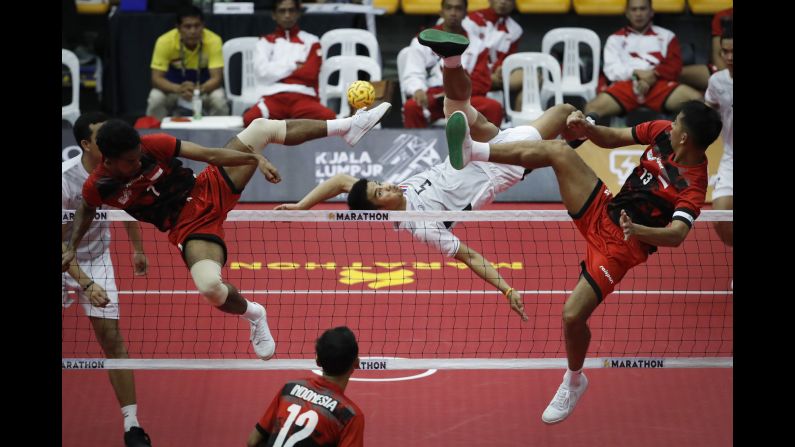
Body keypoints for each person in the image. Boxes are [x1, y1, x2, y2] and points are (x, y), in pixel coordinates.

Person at [276, 30, 585, 321]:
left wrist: (302, 205)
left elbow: (341, 181)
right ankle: (580, 136)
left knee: (555, 111)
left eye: (379, 184)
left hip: (483, 146)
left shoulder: (397, 191)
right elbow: (470, 256)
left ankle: (451, 59)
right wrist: (506, 288)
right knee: (548, 137)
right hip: (498, 167)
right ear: (381, 211)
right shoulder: (421, 227)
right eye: (380, 193)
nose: (386, 185)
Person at [446, 98, 722, 423]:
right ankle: (473, 152)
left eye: (676, 122)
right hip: (604, 209)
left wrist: (638, 230)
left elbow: (677, 234)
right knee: (559, 151)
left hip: (622, 246)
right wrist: (588, 129)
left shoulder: (693, 183)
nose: (671, 124)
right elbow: (613, 138)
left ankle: (574, 380)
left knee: (572, 316)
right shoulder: (662, 134)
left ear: (686, 137)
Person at [62, 104, 392, 360]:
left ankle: (348, 126)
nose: (138, 163)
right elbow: (87, 210)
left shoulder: (152, 145)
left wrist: (255, 159)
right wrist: (72, 246)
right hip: (188, 227)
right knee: (210, 288)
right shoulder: (98, 185)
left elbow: (208, 155)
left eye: (139, 156)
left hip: (209, 187)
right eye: (130, 161)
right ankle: (254, 314)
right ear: (108, 160)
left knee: (261, 128)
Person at [62, 112, 153, 447]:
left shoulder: (117, 168)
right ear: (86, 144)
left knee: (112, 339)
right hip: (66, 255)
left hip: (97, 257)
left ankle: (132, 425)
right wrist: (86, 284)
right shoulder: (65, 181)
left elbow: (126, 207)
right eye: (102, 136)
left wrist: (137, 249)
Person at [585, 0, 702, 122]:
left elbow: (675, 67)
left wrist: (653, 75)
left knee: (697, 100)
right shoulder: (615, 39)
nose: (638, 13)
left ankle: (684, 137)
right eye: (634, 9)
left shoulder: (667, 36)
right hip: (626, 86)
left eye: (643, 9)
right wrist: (636, 73)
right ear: (627, 13)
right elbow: (611, 70)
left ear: (651, 12)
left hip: (658, 85)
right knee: (592, 108)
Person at [246, 326, 364, 447]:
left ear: (317, 361)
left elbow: (252, 442)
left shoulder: (289, 389)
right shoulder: (348, 416)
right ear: (356, 363)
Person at [401, 0, 502, 128]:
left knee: (493, 107)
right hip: (433, 96)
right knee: (412, 107)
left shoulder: (477, 44)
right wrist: (418, 89)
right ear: (441, 12)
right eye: (449, 8)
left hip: (465, 99)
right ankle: (416, 146)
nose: (453, 13)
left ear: (466, 13)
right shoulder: (422, 40)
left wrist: (456, 94)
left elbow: (481, 81)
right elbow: (413, 72)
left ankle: (486, 148)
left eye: (458, 9)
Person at [243, 0, 337, 127]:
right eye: (282, 11)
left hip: (303, 97)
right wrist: (294, 66)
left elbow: (310, 74)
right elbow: (262, 73)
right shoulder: (264, 42)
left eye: (291, 10)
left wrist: (276, 74)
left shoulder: (312, 40)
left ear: (298, 13)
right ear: (274, 15)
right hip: (273, 97)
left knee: (330, 119)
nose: (287, 15)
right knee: (250, 119)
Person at [147, 5, 229, 120]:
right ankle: (154, 135)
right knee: (155, 98)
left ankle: (219, 136)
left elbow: (216, 78)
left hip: (203, 89)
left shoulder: (214, 40)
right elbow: (156, 79)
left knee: (219, 99)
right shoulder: (164, 41)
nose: (193, 31)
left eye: (197, 26)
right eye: (187, 26)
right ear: (178, 28)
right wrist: (178, 89)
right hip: (173, 90)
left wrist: (198, 90)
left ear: (203, 26)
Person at [704, 19, 733, 247]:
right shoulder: (717, 81)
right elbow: (708, 113)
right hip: (730, 158)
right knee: (720, 217)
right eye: (725, 52)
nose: (730, 57)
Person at [462, 0, 523, 100]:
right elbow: (467, 55)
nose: (503, 2)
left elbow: (506, 59)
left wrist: (500, 69)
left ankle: (523, 114)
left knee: (533, 78)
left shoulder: (516, 30)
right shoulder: (470, 20)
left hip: (495, 77)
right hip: (470, 73)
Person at [678, 8, 733, 91]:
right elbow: (717, 54)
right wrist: (726, 79)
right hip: (724, 69)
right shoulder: (723, 16)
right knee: (676, 73)